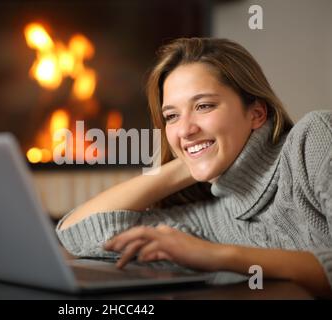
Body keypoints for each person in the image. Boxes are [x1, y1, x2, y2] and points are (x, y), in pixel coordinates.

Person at [55, 38, 332, 297]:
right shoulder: (210, 216)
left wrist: (219, 256)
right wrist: (188, 163)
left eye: (204, 106)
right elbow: (78, 234)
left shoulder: (313, 140)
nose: (185, 130)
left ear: (256, 114)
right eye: (172, 116)